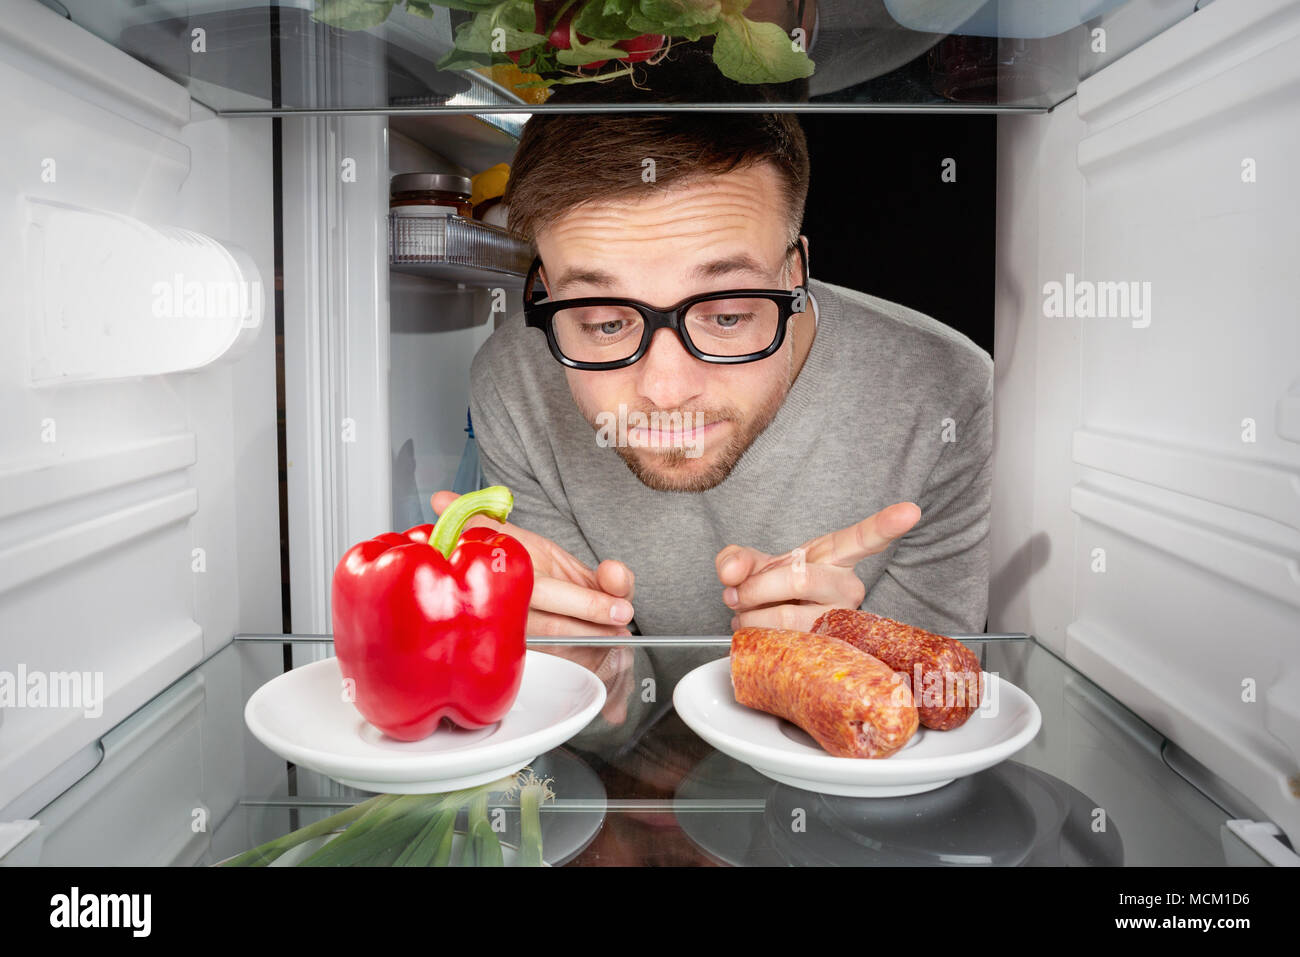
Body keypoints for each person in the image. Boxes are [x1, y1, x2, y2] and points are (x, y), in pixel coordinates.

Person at [430, 76, 992, 733]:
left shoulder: (944, 389)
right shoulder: (514, 383)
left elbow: (937, 713)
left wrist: (842, 658)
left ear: (795, 278)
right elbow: (614, 720)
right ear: (547, 292)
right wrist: (599, 682)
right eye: (605, 322)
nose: (666, 391)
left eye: (726, 315)